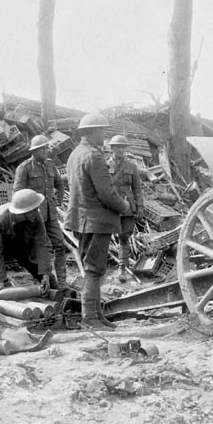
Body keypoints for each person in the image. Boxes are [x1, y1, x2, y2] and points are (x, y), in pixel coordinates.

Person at [66, 113, 130, 329]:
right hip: (96, 221)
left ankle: (96, 314)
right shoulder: (94, 156)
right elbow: (106, 193)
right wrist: (124, 206)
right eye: (102, 130)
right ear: (92, 132)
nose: (104, 135)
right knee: (94, 269)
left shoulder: (75, 154)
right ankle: (90, 317)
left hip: (82, 220)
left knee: (93, 268)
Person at [13, 134, 69, 290]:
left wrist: (57, 200)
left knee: (59, 245)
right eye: (43, 149)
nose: (46, 151)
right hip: (32, 217)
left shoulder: (51, 166)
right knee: (36, 250)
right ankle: (44, 281)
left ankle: (62, 282)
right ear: (35, 151)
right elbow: (18, 194)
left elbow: (60, 184)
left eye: (47, 148)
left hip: (50, 214)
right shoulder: (24, 168)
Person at [0, 189, 52, 294]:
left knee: (34, 265)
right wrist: (0, 282)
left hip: (21, 235)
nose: (37, 212)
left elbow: (42, 245)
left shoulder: (35, 217)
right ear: (23, 212)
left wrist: (45, 274)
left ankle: (52, 290)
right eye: (34, 209)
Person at [107, 135, 143, 283]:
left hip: (128, 207)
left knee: (124, 238)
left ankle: (122, 269)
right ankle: (101, 269)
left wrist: (140, 207)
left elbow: (138, 189)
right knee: (103, 238)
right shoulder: (105, 165)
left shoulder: (132, 166)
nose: (120, 149)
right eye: (117, 147)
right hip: (111, 206)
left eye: (123, 147)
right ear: (112, 148)